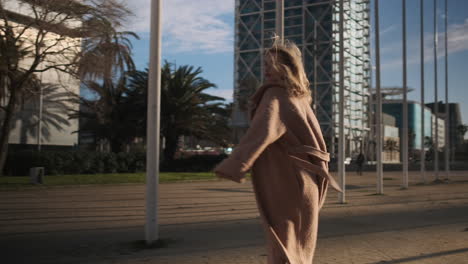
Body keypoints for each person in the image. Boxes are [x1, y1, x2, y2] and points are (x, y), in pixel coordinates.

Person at [214, 38, 342, 264]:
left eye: (269, 64)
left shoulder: (276, 95)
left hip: (288, 182)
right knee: (299, 247)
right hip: (307, 183)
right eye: (264, 64)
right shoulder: (300, 97)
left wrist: (234, 165)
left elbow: (262, 131)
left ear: (285, 67)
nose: (265, 69)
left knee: (285, 249)